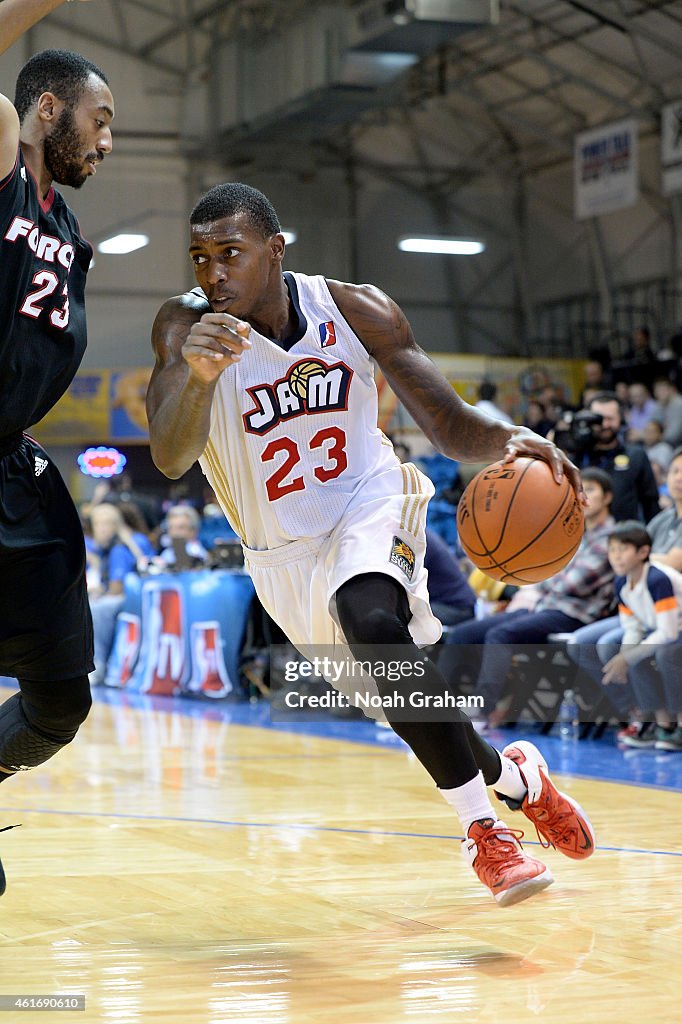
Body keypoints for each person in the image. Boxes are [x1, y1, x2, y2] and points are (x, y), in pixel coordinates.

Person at [146, 181, 594, 908]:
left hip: (369, 500)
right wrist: (197, 379)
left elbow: (448, 424)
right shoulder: (183, 328)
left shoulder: (353, 308)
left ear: (276, 249)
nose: (213, 274)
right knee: (413, 704)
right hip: (282, 557)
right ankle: (518, 781)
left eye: (230, 253)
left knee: (372, 619)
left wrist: (512, 436)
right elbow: (169, 456)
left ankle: (483, 835)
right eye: (199, 258)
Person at [0, 4, 114, 891]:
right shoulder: (4, 167)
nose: (107, 141)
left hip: (17, 468)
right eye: (99, 118)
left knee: (62, 699)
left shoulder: (69, 231)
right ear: (45, 110)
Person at [440, 468, 615, 728]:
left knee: (500, 635)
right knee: (463, 635)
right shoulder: (574, 533)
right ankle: (434, 710)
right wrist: (539, 578)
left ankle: (481, 711)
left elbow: (573, 583)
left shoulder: (611, 538)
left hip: (573, 615)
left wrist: (540, 577)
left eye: (591, 489)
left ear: (608, 497)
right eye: (581, 490)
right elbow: (544, 576)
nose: (583, 497)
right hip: (542, 607)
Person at [602, 522, 682, 752]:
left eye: (622, 549)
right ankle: (662, 724)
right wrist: (626, 655)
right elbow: (633, 627)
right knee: (633, 653)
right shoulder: (621, 582)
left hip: (674, 631)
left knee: (666, 654)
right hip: (664, 631)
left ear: (643, 552)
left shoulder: (659, 579)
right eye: (612, 550)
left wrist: (627, 658)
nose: (616, 557)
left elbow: (669, 632)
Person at [582, 392, 660, 523]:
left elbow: (650, 504)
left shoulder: (636, 455)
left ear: (621, 419)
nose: (605, 424)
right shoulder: (576, 456)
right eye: (599, 419)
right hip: (583, 539)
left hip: (626, 537)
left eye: (610, 419)